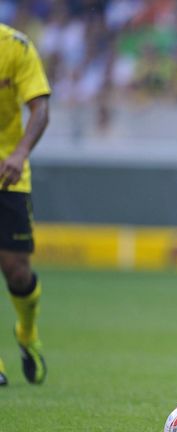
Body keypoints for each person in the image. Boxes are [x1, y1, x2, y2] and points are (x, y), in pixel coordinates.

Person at [0, 23, 51, 386]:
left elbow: (40, 107)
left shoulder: (15, 47)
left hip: (8, 171)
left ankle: (27, 333)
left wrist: (20, 153)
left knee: (17, 271)